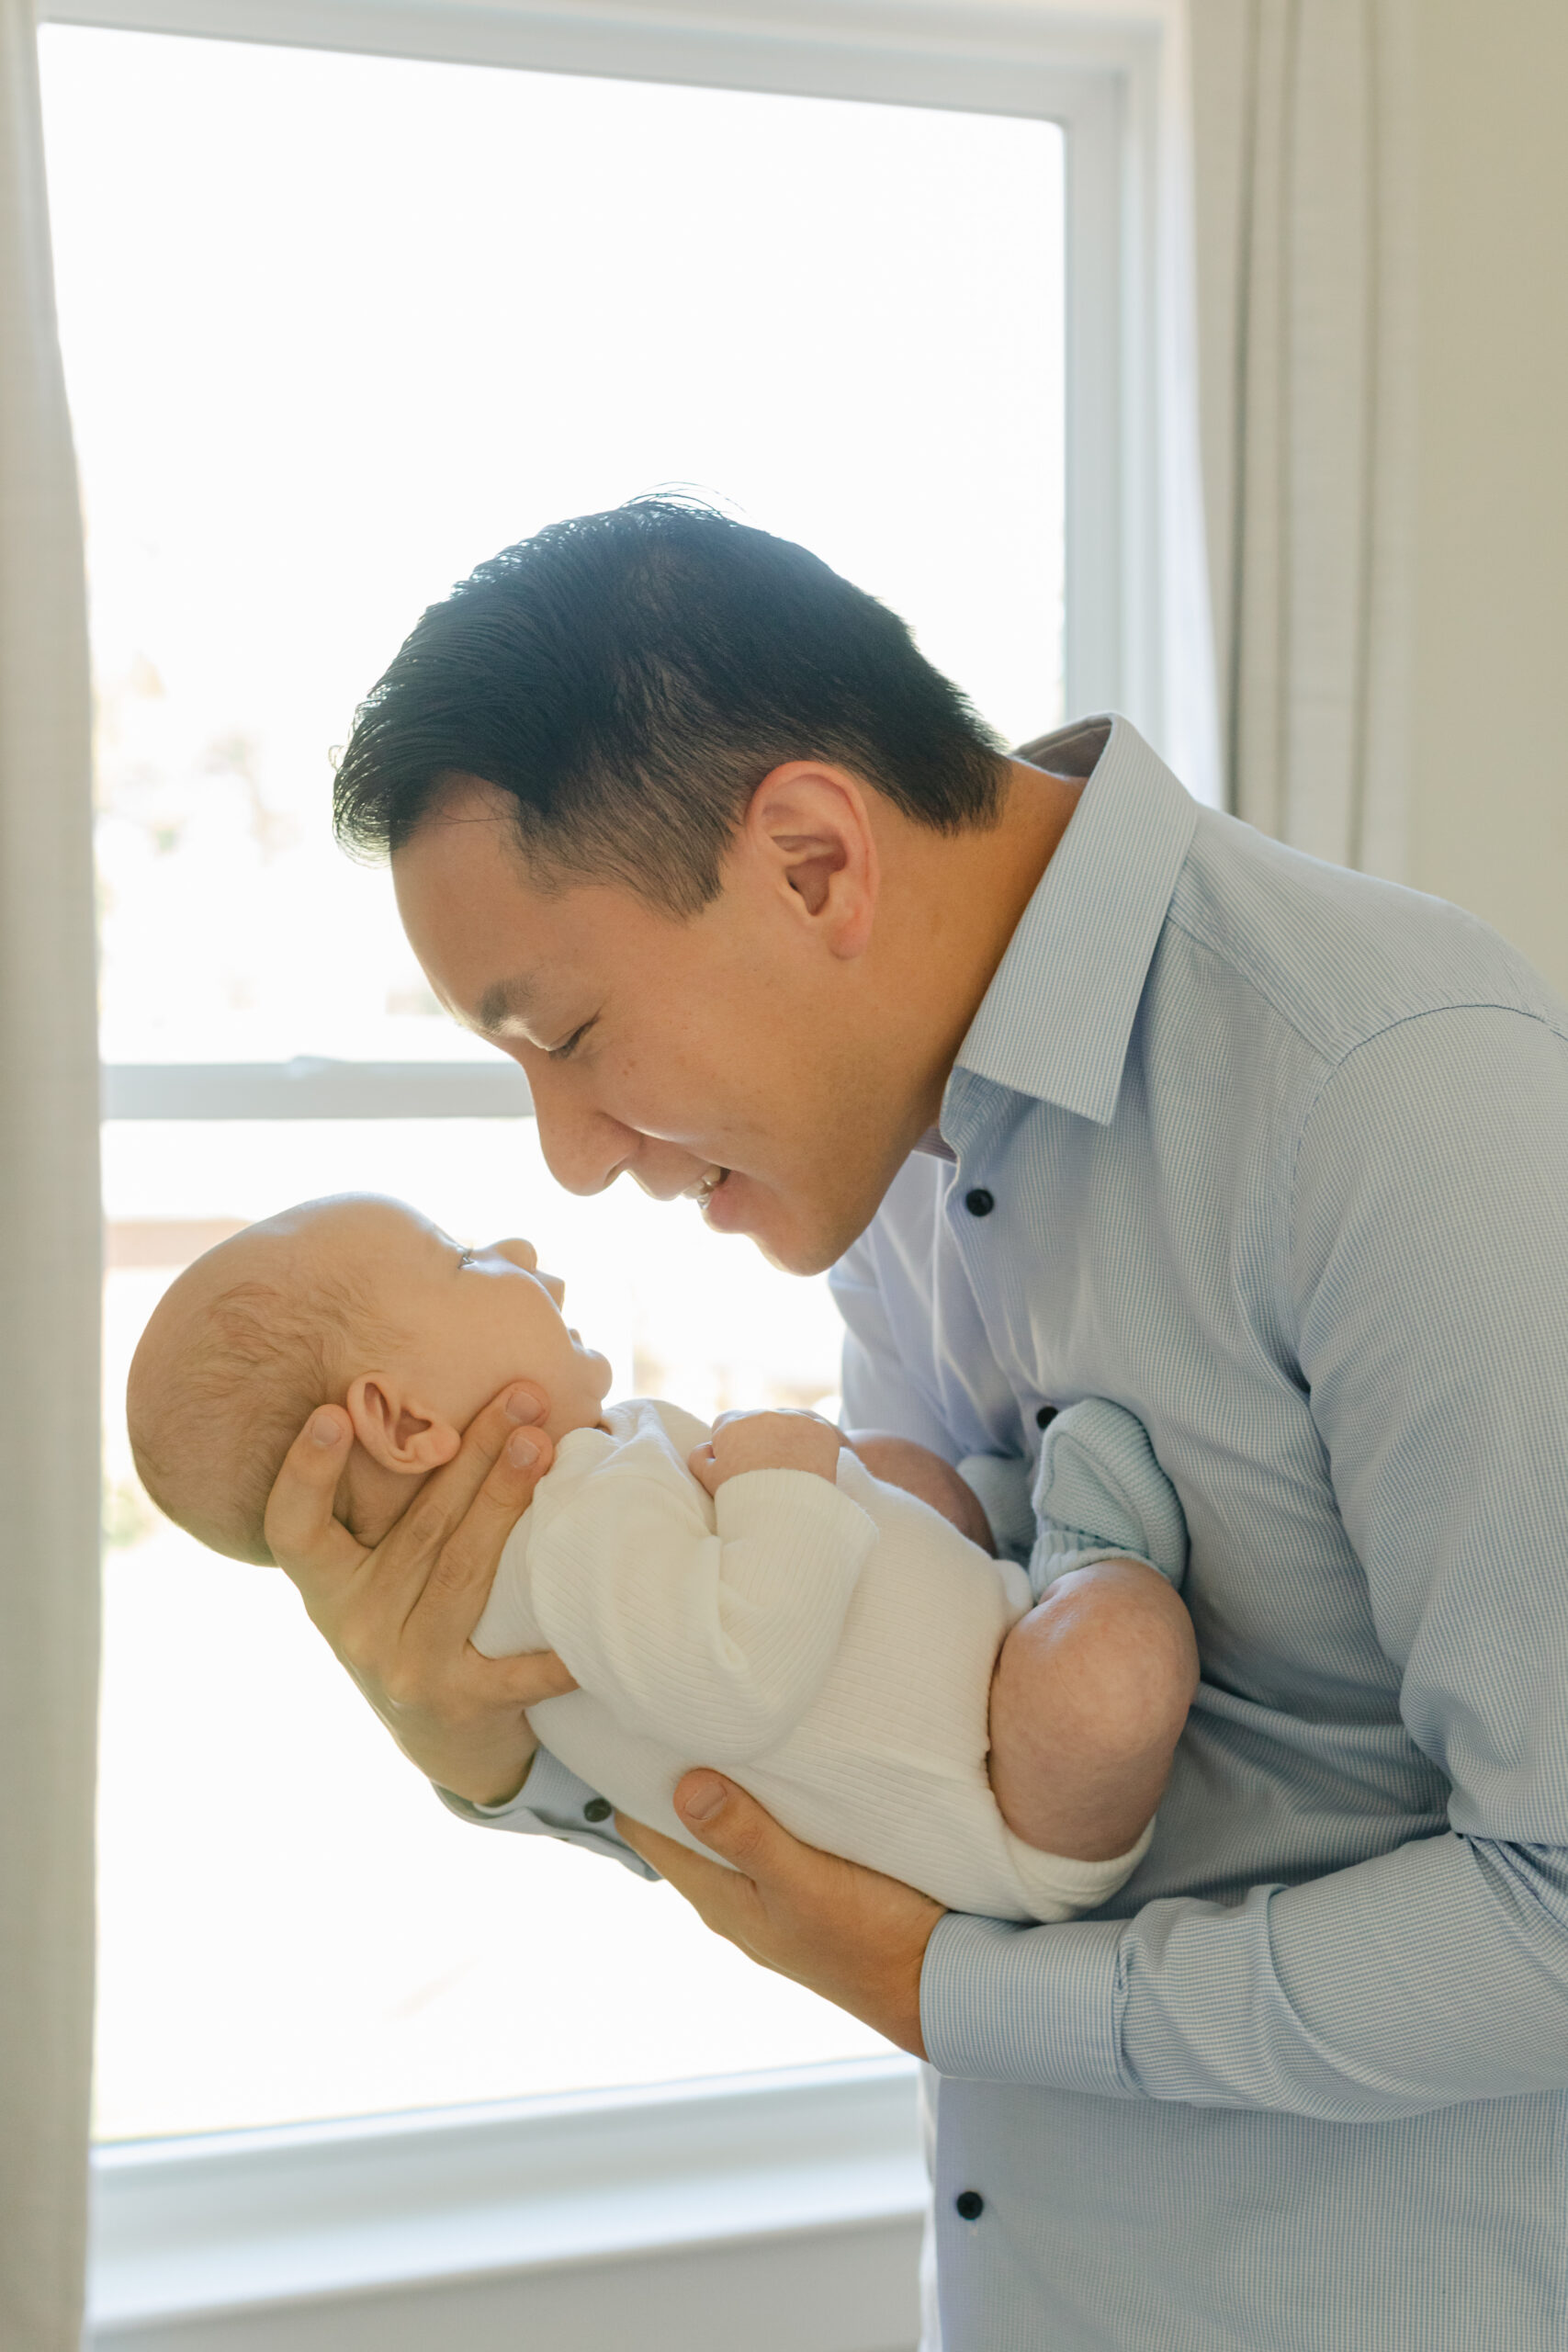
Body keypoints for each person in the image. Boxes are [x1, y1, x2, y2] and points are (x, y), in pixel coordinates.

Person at [262, 499, 1568, 2349]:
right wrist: (497, 1738)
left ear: (810, 861)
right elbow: (896, 1728)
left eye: (564, 1033)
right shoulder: (888, 1140)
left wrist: (956, 1994)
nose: (566, 1151)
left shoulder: (1389, 1098)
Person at [126, 1191, 1199, 1921]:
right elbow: (737, 1678)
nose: (524, 1256)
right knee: (1113, 1669)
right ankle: (1093, 1562)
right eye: (464, 1261)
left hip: (955, 1703)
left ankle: (1043, 1580)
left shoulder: (547, 1540)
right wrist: (782, 1478)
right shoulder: (562, 1538)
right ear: (406, 1427)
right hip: (1005, 1800)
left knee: (889, 1471)